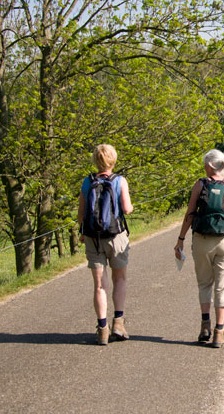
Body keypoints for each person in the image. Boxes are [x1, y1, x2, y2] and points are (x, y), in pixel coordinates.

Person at [174, 149, 224, 348]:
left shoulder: (200, 184)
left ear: (210, 165)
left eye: (205, 163)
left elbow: (190, 214)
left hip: (202, 240)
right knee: (223, 286)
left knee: (205, 283)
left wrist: (181, 238)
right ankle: (219, 331)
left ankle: (205, 325)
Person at [77, 144, 133, 345]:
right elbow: (126, 209)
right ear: (113, 160)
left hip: (93, 238)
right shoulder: (120, 181)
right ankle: (118, 322)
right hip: (116, 236)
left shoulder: (87, 182)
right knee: (120, 279)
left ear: (95, 160)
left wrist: (83, 234)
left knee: (99, 285)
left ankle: (102, 329)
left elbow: (81, 213)